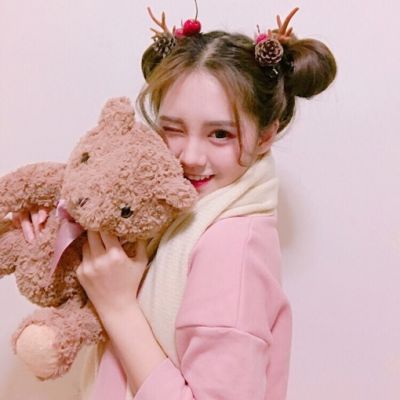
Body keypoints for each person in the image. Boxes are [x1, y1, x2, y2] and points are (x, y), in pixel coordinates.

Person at [12, 5, 336, 400]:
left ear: (266, 135)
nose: (191, 158)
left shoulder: (231, 249)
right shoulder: (170, 215)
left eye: (220, 134)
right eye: (173, 129)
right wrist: (59, 225)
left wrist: (118, 306)